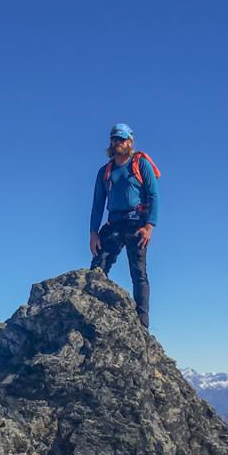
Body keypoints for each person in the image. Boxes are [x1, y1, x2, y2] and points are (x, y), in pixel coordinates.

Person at [89, 122, 159, 327]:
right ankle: (92, 311)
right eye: (114, 139)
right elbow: (97, 203)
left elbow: (154, 195)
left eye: (121, 139)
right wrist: (94, 233)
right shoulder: (105, 171)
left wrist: (149, 226)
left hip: (136, 223)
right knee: (98, 266)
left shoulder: (140, 164)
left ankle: (142, 322)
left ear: (130, 142)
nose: (117, 142)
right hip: (114, 223)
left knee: (138, 272)